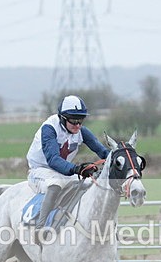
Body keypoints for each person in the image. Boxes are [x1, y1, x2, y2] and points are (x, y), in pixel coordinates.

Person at [26, 95, 109, 235]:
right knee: (55, 184)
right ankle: (40, 228)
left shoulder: (81, 131)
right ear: (62, 118)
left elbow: (102, 151)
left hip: (61, 170)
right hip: (39, 170)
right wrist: (77, 169)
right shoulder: (49, 128)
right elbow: (53, 160)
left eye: (80, 120)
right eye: (73, 120)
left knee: (90, 184)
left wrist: (121, 158)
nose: (77, 125)